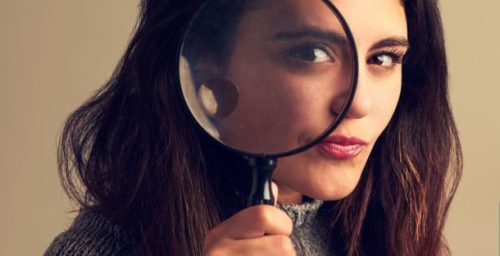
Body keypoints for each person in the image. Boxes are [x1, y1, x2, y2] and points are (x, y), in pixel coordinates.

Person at [45, 0, 462, 255]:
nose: (359, 103)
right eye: (312, 53)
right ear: (206, 64)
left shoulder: (392, 231)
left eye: (384, 58)